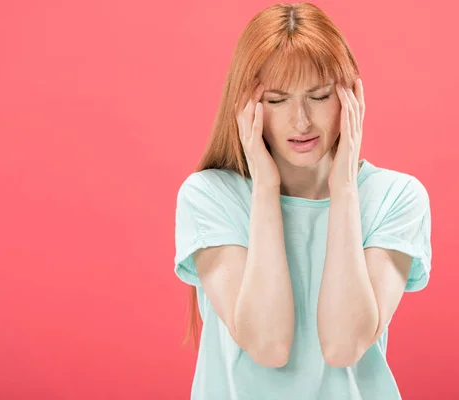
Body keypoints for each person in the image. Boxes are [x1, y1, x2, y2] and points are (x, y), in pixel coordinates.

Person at [174, 3, 432, 399]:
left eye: (319, 96)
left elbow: (344, 346)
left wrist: (344, 187)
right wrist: (264, 188)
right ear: (246, 105)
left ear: (350, 96)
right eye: (277, 100)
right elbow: (267, 345)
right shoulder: (210, 196)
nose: (301, 122)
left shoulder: (395, 198)